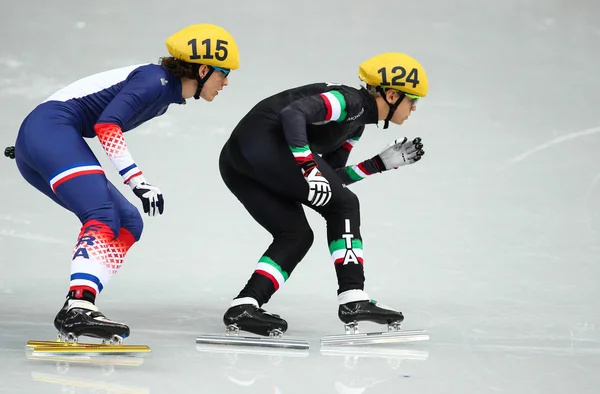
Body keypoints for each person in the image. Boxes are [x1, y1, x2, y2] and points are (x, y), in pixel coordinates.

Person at [3, 23, 239, 343]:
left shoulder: (164, 92)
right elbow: (106, 125)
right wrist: (137, 181)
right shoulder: (154, 81)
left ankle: (82, 301)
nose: (226, 82)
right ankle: (78, 308)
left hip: (47, 137)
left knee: (129, 221)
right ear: (202, 69)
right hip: (49, 130)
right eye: (223, 73)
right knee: (101, 214)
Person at [218, 52, 428, 337]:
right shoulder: (349, 101)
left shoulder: (357, 125)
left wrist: (377, 165)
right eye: (412, 100)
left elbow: (331, 179)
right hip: (261, 143)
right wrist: (307, 165)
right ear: (392, 95)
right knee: (345, 206)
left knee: (296, 235)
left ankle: (245, 304)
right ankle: (353, 297)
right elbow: (293, 114)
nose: (413, 108)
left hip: (236, 162)